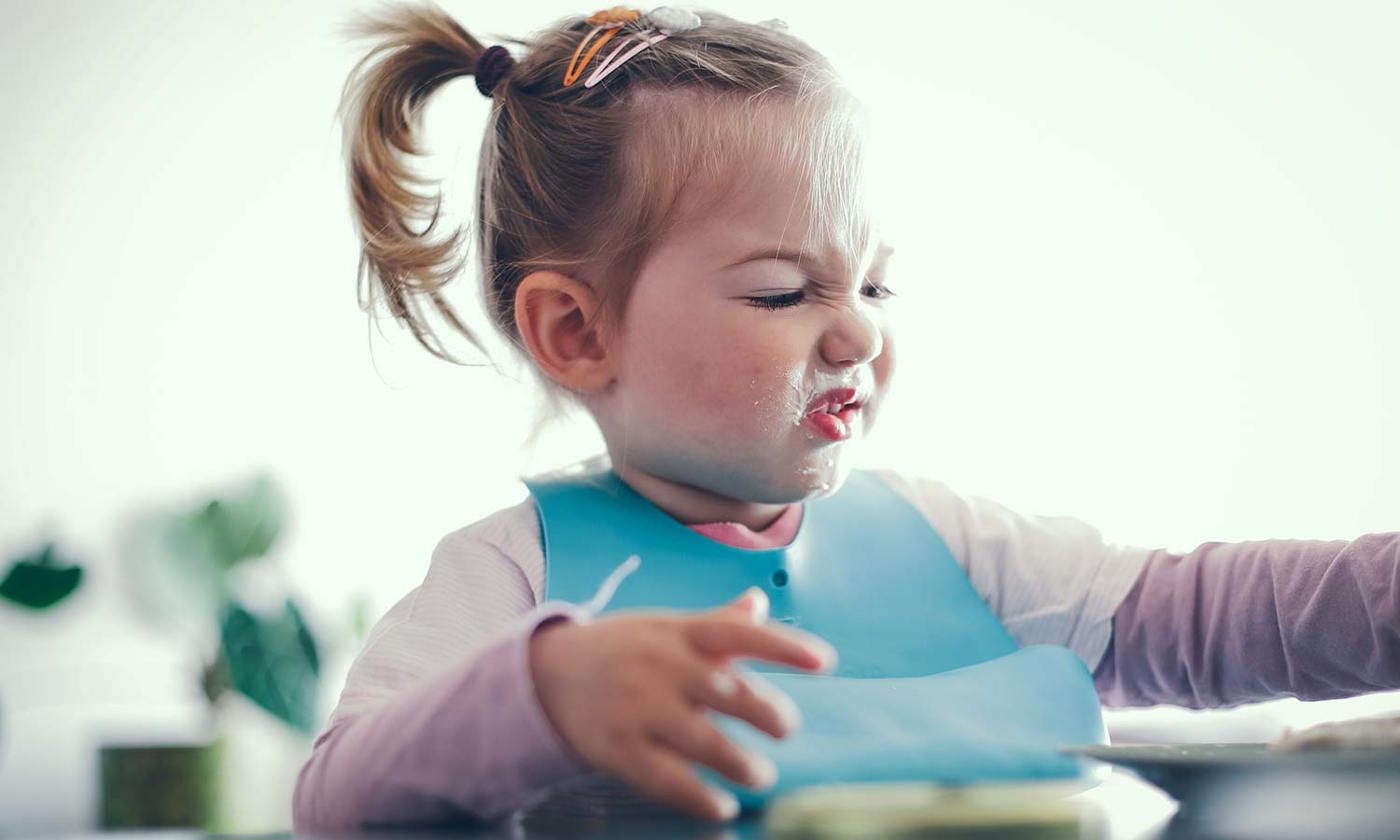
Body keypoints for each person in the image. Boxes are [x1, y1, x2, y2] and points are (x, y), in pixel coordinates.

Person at [293, 3, 1400, 831]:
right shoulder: (513, 578)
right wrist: (539, 696)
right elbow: (333, 796)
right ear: (577, 332)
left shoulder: (954, 545)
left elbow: (1203, 622)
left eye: (872, 286)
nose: (857, 335)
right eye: (783, 293)